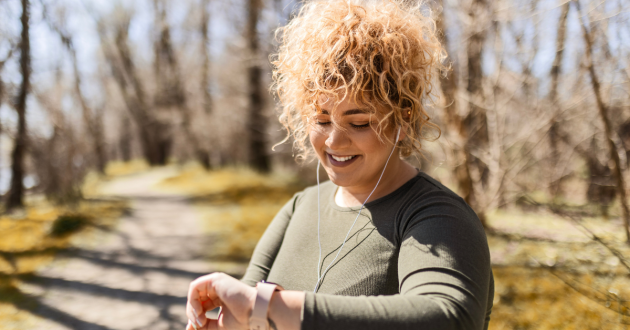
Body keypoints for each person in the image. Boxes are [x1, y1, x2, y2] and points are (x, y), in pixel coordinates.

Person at [185, 0, 494, 329]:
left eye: (359, 122)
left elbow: (448, 317)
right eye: (321, 120)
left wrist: (270, 306)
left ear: (402, 119)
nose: (333, 141)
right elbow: (247, 309)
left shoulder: (437, 215)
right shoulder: (300, 207)